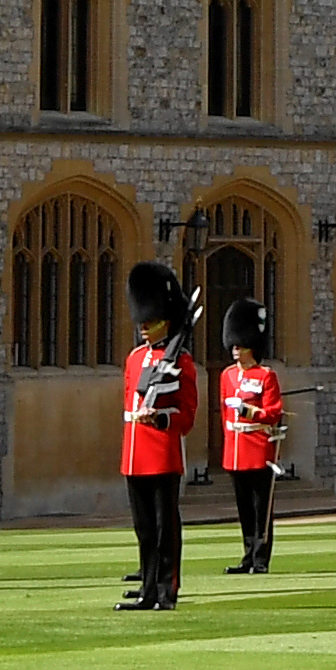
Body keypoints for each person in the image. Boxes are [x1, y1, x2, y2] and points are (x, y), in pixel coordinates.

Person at [115, 259, 194, 610]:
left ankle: (166, 589)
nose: (144, 327)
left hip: (162, 452)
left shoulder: (182, 362)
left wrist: (160, 418)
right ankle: (148, 588)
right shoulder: (134, 359)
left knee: (165, 529)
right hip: (134, 453)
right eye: (143, 322)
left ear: (167, 321)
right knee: (144, 530)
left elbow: (187, 415)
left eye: (152, 321)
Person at [214, 297, 285, 574]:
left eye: (239, 345)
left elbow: (274, 412)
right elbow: (223, 415)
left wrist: (248, 411)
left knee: (260, 508)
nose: (235, 349)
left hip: (257, 446)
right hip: (236, 447)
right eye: (233, 345)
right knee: (244, 507)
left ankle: (260, 557)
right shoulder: (227, 376)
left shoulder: (266, 376)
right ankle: (247, 554)